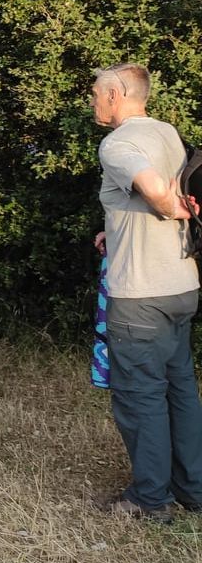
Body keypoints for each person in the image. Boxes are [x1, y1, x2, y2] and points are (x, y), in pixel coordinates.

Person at [90, 62, 202, 522]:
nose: (92, 101)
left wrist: (177, 209)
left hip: (141, 295)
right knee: (181, 390)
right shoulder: (167, 133)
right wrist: (114, 232)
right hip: (182, 284)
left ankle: (150, 500)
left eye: (96, 93)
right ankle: (193, 489)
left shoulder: (117, 143)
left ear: (116, 95)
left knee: (141, 396)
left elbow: (156, 191)